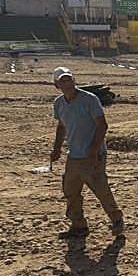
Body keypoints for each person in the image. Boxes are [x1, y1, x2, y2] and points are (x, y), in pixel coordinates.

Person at [49, 66, 124, 239]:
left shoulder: (90, 100)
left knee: (100, 189)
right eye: (63, 81)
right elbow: (61, 127)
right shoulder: (59, 103)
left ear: (74, 80)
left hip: (93, 155)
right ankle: (78, 226)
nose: (67, 83)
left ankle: (117, 220)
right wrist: (56, 149)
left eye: (69, 79)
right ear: (56, 85)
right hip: (74, 155)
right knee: (70, 191)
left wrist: (93, 150)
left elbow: (102, 126)